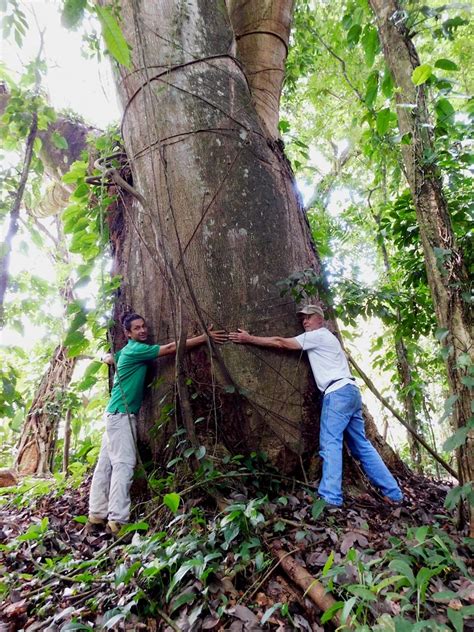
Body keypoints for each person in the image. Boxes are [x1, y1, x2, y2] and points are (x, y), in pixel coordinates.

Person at [229, 305, 403, 508]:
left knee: (330, 443)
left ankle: (331, 497)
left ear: (320, 319)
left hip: (337, 393)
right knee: (361, 446)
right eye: (303, 318)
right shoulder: (328, 338)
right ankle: (394, 493)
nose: (305, 322)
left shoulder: (318, 335)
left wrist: (250, 339)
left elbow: (281, 343)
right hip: (350, 391)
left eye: (309, 317)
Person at [88, 313, 227, 534]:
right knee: (123, 464)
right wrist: (204, 337)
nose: (143, 331)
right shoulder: (136, 350)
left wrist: (107, 358)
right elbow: (171, 348)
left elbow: (113, 357)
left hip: (113, 415)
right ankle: (117, 520)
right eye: (137, 328)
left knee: (105, 465)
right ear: (128, 333)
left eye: (144, 326)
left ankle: (96, 514)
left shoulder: (127, 350)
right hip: (121, 416)